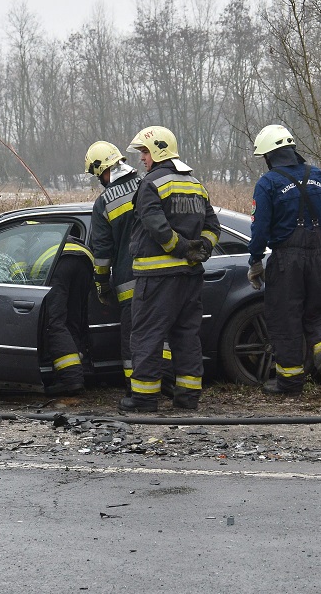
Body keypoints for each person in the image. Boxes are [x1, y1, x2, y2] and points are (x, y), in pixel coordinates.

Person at [120, 125, 221, 413]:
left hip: (156, 279)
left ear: (156, 151)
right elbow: (213, 227)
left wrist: (181, 248)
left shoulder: (152, 183)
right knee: (186, 336)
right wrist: (200, 248)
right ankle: (188, 398)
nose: (142, 159)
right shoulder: (194, 183)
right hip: (190, 279)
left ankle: (143, 399)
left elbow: (155, 226)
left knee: (146, 336)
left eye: (144, 152)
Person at [247, 124, 321, 396]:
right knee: (320, 313)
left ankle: (290, 383)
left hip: (286, 260)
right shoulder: (317, 175)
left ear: (269, 156)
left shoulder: (268, 182)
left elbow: (260, 227)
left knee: (285, 318)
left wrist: (255, 260)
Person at [85, 140, 141, 395]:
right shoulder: (147, 185)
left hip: (129, 282)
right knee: (161, 334)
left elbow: (102, 253)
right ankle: (166, 384)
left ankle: (135, 390)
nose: (100, 181)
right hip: (161, 277)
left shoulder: (104, 202)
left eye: (98, 175)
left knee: (132, 338)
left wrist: (101, 284)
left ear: (102, 170)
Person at [34, 228, 94, 397]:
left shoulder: (24, 234)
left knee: (54, 323)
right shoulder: (45, 229)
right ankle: (70, 374)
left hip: (58, 262)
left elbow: (20, 272)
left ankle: (71, 379)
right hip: (85, 259)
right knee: (72, 321)